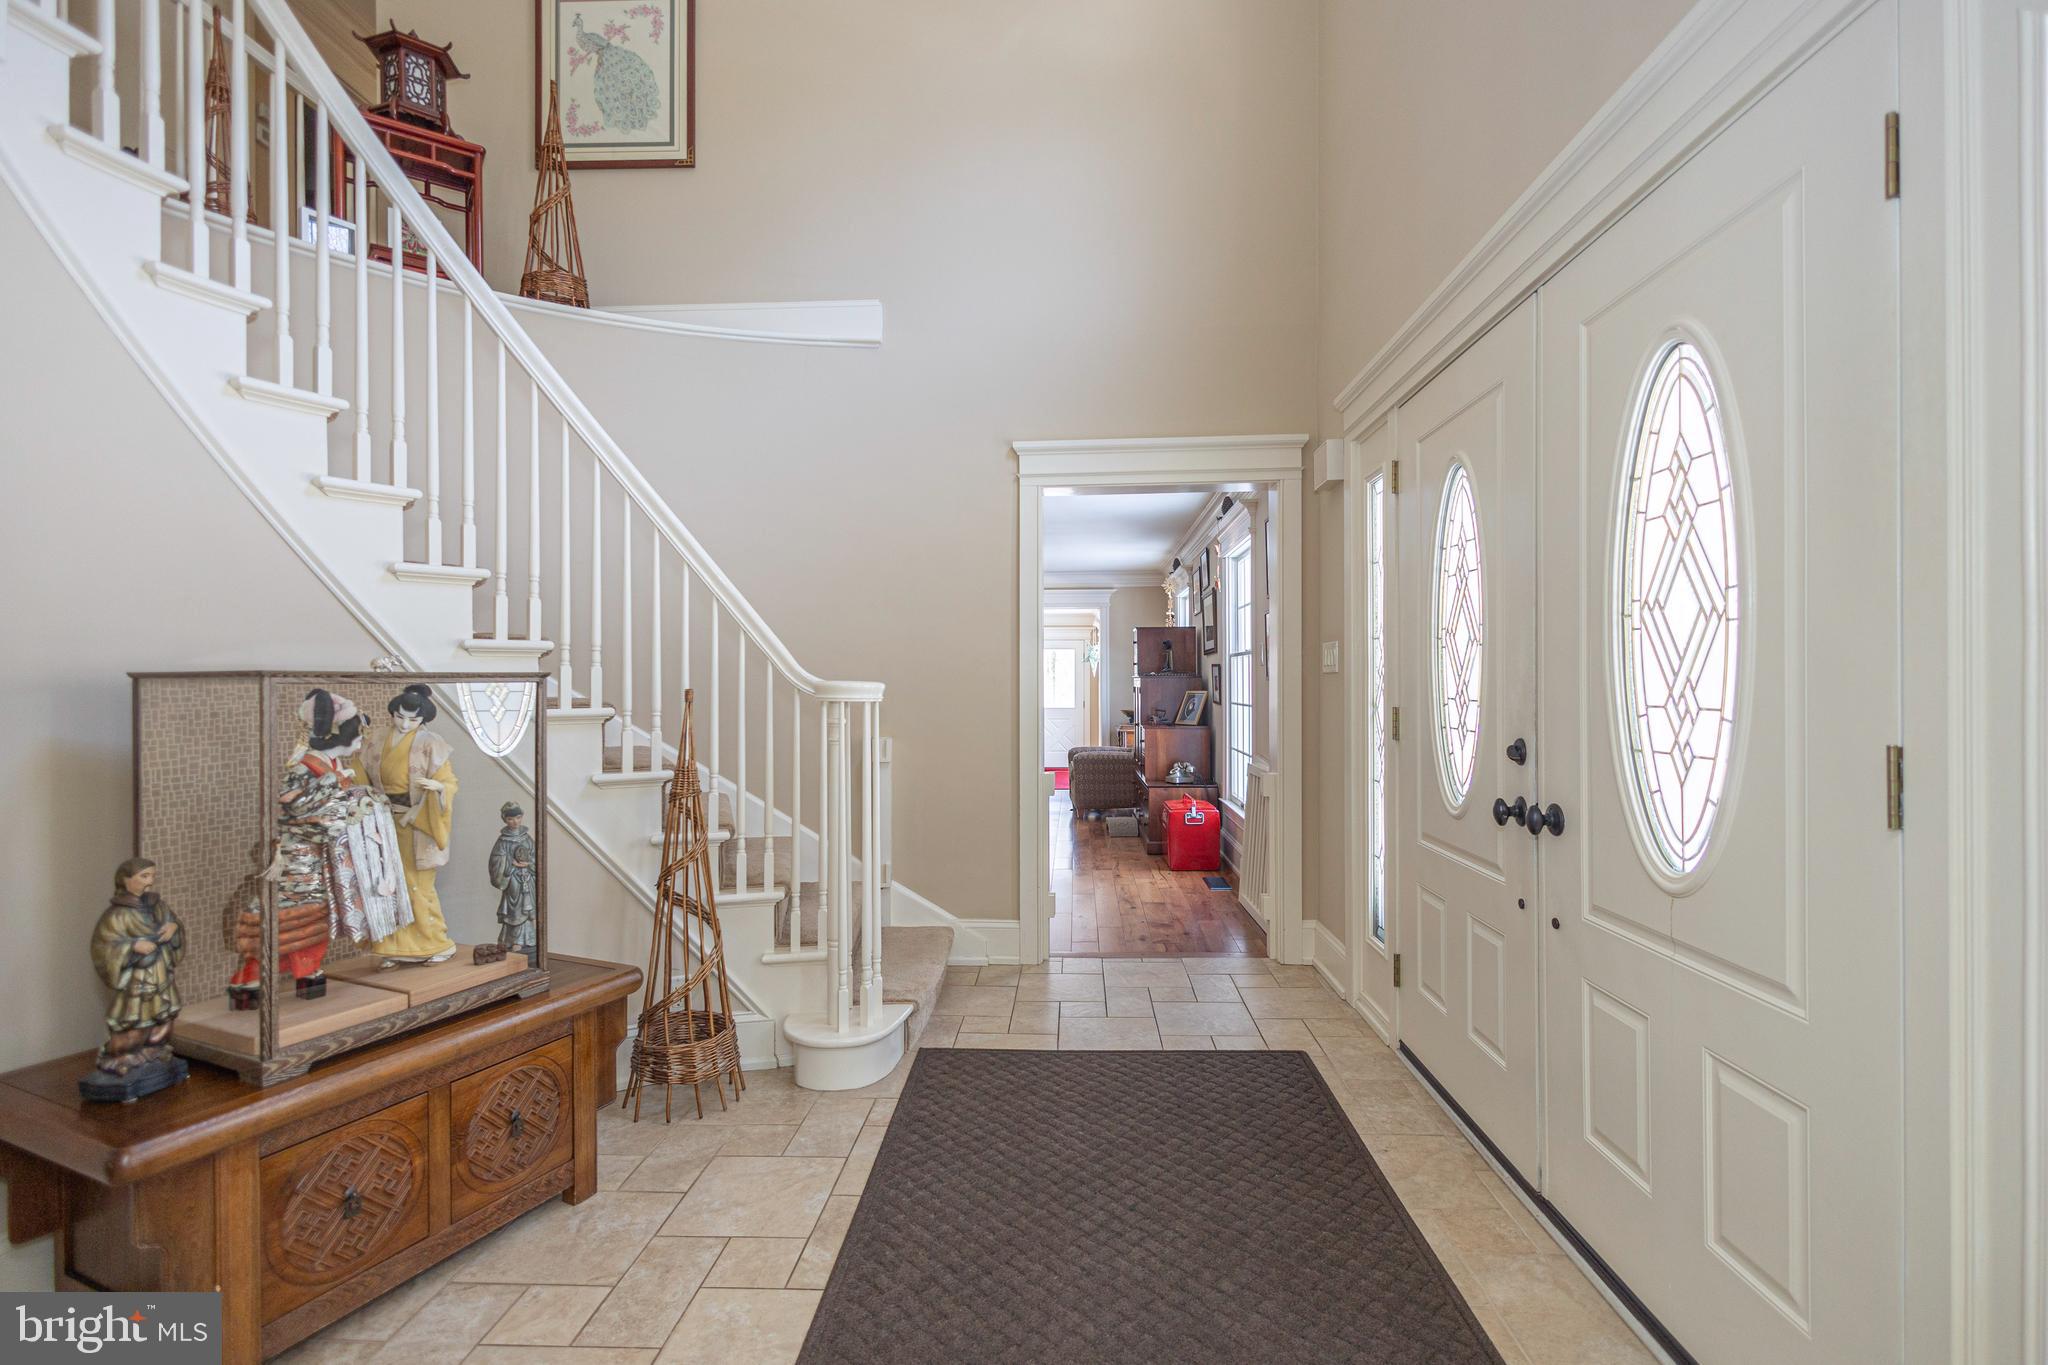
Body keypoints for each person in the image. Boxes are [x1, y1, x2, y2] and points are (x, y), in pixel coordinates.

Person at [368, 683, 461, 965]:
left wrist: (438, 787)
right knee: (387, 884)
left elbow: (449, 783)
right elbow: (361, 772)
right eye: (399, 716)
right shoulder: (378, 738)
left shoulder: (431, 742)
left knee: (417, 884)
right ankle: (394, 948)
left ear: (424, 719)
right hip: (383, 819)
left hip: (417, 820)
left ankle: (435, 942)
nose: (405, 723)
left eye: (413, 719)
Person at [89, 858, 182, 1074]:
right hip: (137, 980)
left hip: (159, 972)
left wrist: (173, 927)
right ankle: (120, 1056)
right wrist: (132, 946)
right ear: (125, 880)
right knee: (132, 1026)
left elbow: (173, 923)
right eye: (144, 876)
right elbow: (103, 946)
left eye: (152, 876)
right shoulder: (116, 915)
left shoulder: (157, 906)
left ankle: (152, 1051)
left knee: (163, 1021)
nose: (150, 881)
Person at [489, 801, 538, 953]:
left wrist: (528, 864)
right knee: (515, 908)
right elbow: (496, 861)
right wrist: (510, 865)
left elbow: (536, 856)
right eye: (510, 819)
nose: (514, 821)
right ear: (505, 819)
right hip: (512, 879)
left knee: (528, 907)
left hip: (527, 878)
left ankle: (528, 938)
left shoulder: (527, 838)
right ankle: (514, 940)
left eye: (517, 818)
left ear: (522, 817)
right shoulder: (502, 841)